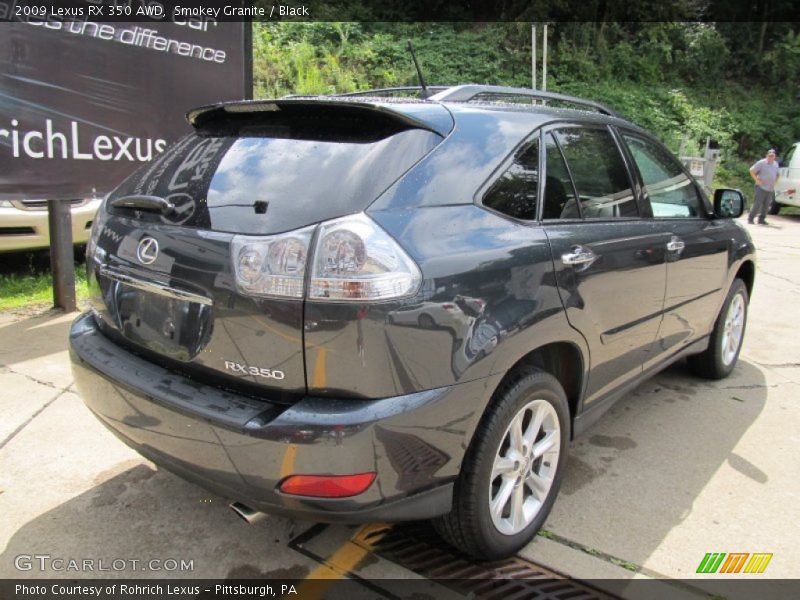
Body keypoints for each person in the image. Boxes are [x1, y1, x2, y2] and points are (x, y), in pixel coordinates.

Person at [748, 149, 780, 225]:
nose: (771, 157)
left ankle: (761, 219)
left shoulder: (776, 164)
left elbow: (778, 175)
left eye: (772, 155)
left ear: (775, 157)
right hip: (760, 187)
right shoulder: (761, 163)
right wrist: (757, 180)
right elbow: (751, 170)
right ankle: (750, 218)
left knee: (766, 206)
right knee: (757, 204)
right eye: (769, 155)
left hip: (770, 188)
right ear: (767, 155)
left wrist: (775, 183)